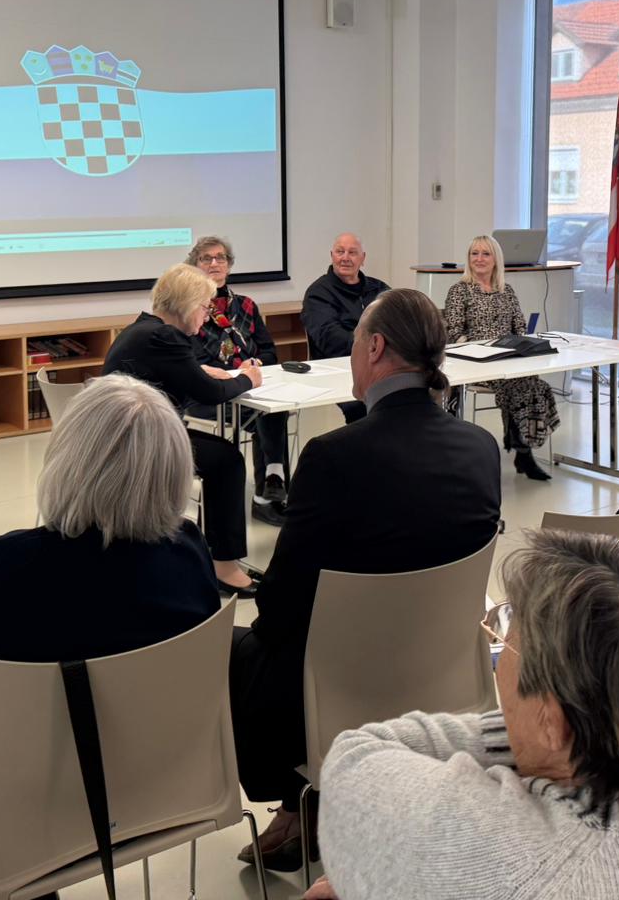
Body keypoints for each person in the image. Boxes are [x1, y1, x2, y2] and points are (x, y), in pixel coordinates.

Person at [0, 374, 220, 900]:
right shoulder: (188, 551)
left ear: (67, 459)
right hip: (155, 786)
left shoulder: (2, 568)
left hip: (13, 808)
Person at [305, 530, 619, 900]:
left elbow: (354, 758)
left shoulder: (501, 856)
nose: (500, 649)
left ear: (553, 723)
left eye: (507, 636)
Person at [230, 289, 502, 874]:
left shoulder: (332, 457)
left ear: (374, 347)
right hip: (447, 668)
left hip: (344, 682)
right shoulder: (480, 447)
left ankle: (300, 801)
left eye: (355, 343)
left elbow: (280, 607)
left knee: (240, 647)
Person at [103, 264, 263, 596]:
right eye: (205, 307)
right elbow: (210, 393)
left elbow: (173, 375)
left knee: (220, 457)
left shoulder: (144, 329)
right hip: (144, 442)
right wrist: (248, 379)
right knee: (227, 460)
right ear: (188, 304)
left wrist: (200, 369)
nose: (206, 316)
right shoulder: (166, 337)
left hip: (120, 435)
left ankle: (214, 556)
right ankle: (224, 566)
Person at [184, 235, 291, 522]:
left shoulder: (246, 306)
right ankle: (268, 495)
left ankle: (271, 489)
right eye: (206, 258)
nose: (214, 263)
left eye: (220, 257)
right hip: (209, 395)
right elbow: (197, 364)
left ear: (229, 265)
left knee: (273, 407)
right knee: (266, 413)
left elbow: (268, 351)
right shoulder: (189, 310)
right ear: (195, 266)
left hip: (249, 388)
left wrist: (254, 363)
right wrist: (237, 373)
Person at [442, 234, 560, 480]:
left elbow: (520, 327)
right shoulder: (460, 290)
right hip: (476, 363)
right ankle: (523, 452)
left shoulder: (506, 291)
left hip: (508, 357)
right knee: (522, 385)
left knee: (537, 385)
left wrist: (522, 346)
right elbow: (453, 333)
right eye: (474, 253)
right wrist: (478, 349)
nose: (479, 259)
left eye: (486, 254)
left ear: (496, 259)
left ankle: (520, 445)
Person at [301, 232, 388, 423]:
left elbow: (397, 324)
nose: (345, 258)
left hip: (381, 365)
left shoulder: (379, 289)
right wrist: (376, 348)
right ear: (332, 256)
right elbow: (330, 338)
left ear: (363, 258)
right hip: (336, 370)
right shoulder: (318, 293)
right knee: (366, 405)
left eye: (352, 252)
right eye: (340, 252)